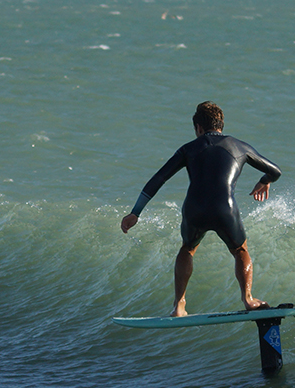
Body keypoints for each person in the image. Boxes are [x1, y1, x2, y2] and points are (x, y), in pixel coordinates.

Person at [120, 102, 282, 317]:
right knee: (240, 250)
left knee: (187, 249)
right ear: (221, 125)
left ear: (198, 127)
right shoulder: (239, 146)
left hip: (195, 209)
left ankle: (179, 305)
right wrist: (265, 180)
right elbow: (275, 171)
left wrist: (135, 212)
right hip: (225, 209)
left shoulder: (188, 148)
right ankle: (248, 299)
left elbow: (159, 178)